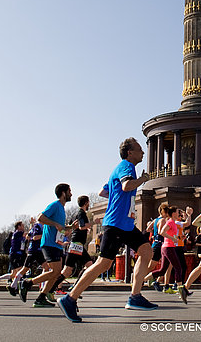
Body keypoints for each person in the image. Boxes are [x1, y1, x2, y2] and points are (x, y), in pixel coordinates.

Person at [57, 138, 157, 323]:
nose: (143, 153)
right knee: (103, 264)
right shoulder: (127, 166)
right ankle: (69, 299)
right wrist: (143, 179)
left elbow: (105, 191)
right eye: (140, 150)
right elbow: (126, 185)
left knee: (146, 250)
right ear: (130, 153)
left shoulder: (120, 168)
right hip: (116, 224)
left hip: (125, 224)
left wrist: (119, 197)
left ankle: (135, 296)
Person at [18, 184, 76, 307]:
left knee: (56, 272)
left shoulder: (61, 208)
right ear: (63, 193)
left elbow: (60, 228)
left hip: (57, 244)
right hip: (49, 244)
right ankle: (27, 283)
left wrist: (71, 227)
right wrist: (55, 224)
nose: (71, 193)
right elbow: (40, 217)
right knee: (55, 271)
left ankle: (41, 298)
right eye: (69, 191)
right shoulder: (55, 205)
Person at [53, 195, 95, 295]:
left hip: (76, 244)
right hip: (77, 244)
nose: (88, 204)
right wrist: (94, 222)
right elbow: (81, 226)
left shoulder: (75, 214)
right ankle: (54, 287)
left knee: (69, 270)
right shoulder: (81, 213)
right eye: (88, 202)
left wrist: (85, 229)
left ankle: (53, 287)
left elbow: (70, 230)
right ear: (86, 203)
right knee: (84, 267)